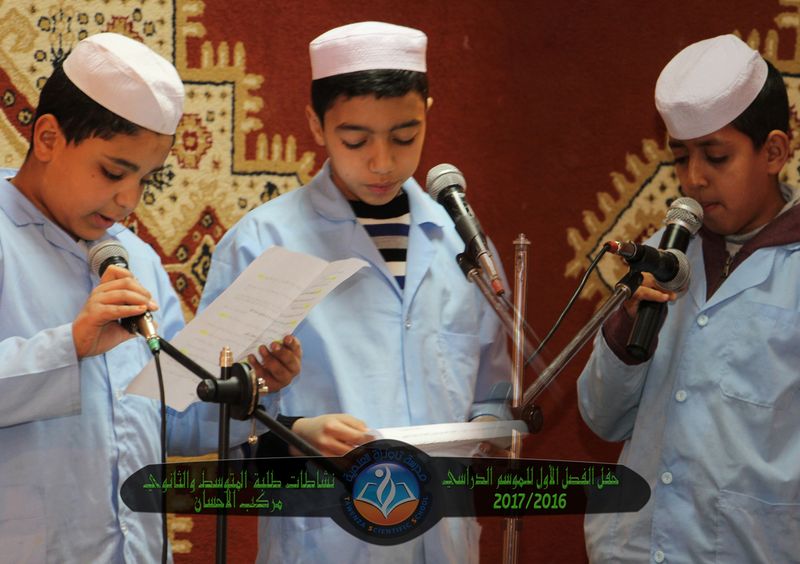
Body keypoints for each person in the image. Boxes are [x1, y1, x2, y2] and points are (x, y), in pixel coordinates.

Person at [200, 21, 511, 564]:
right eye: (356, 140)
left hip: (442, 539)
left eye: (404, 136)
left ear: (427, 113)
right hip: (327, 541)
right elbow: (208, 418)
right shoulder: (262, 245)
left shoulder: (462, 243)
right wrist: (296, 434)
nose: (382, 162)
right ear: (315, 125)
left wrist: (489, 431)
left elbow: (492, 393)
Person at [0, 32, 302, 562]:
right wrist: (70, 345)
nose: (129, 199)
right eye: (114, 172)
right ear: (47, 138)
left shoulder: (135, 259)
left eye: (146, 179)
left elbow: (172, 420)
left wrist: (247, 389)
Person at [577, 34, 800, 563]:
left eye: (716, 157)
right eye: (681, 158)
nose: (694, 179)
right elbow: (602, 419)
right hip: (634, 547)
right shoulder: (663, 252)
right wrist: (627, 333)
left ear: (774, 152)